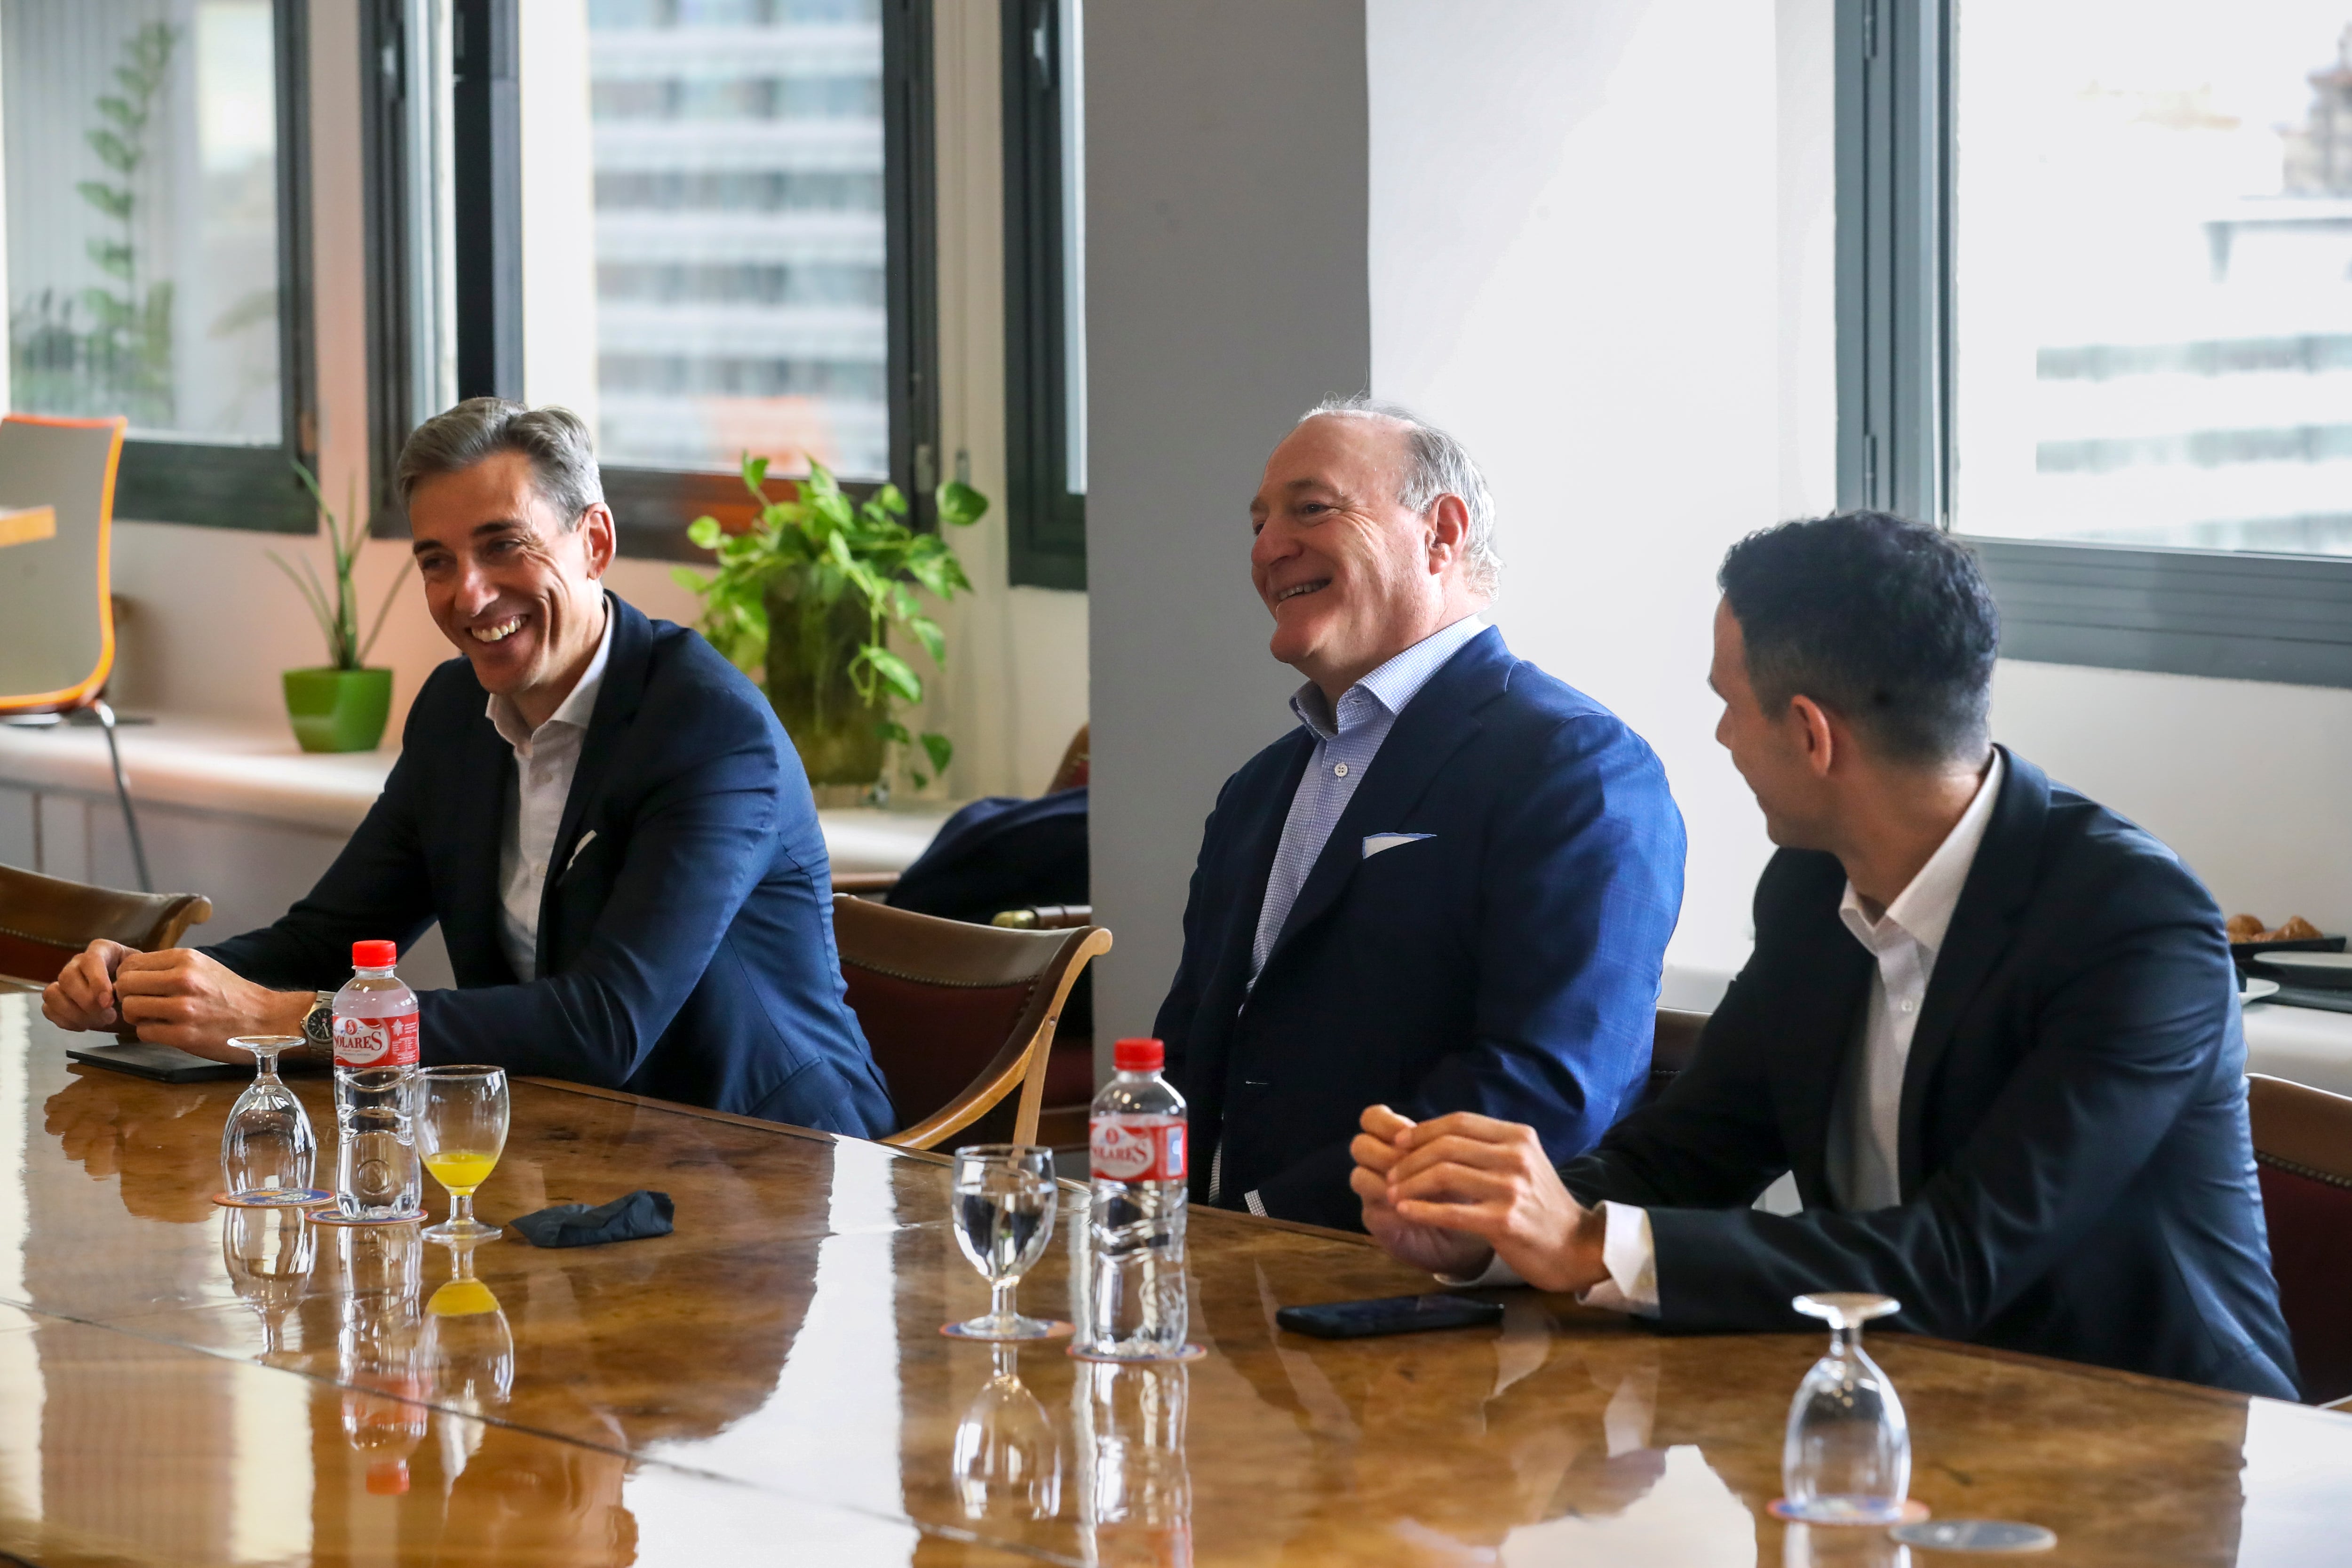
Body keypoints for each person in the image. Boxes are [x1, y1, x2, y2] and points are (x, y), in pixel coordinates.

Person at [1351, 512, 2299, 1399]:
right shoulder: (1810, 889)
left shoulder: (2133, 924)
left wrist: (1593, 1244)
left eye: (1728, 705)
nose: (1721, 736)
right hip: (1890, 1410)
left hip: (2157, 1442)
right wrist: (1490, 1228)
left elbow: (1961, 1260)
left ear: (1810, 732)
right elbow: (1692, 1150)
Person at [40, 399, 893, 1136]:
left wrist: (289, 1023)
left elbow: (606, 1022)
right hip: (566, 1147)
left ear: (593, 541)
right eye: (437, 561)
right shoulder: (455, 715)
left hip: (778, 1169)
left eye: (502, 547)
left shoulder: (707, 729)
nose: (469, 595)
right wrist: (154, 988)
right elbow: (321, 941)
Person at [1155, 398, 1685, 1230]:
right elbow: (1189, 1052)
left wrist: (1275, 1217)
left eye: (1312, 508)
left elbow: (1551, 1086)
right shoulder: (1255, 791)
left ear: (1440, 533)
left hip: (1423, 1293)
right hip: (1208, 1276)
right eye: (1258, 523)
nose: (1267, 549)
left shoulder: (1577, 766)